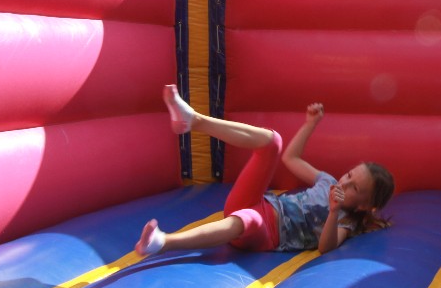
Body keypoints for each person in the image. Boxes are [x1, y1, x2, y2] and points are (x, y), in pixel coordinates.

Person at [135, 87, 394, 258]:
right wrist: (310, 124)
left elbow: (326, 248)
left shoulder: (345, 220)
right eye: (349, 175)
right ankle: (193, 120)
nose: (344, 184)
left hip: (267, 232)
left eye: (354, 188)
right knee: (273, 142)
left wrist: (334, 211)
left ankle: (163, 242)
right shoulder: (328, 181)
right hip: (259, 202)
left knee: (247, 219)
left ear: (364, 206)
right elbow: (291, 158)